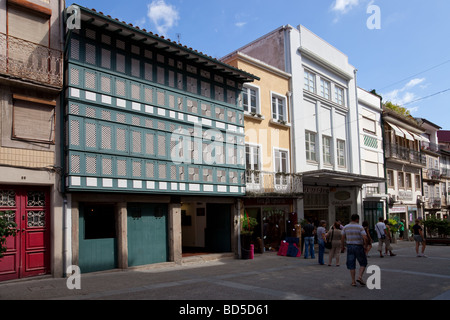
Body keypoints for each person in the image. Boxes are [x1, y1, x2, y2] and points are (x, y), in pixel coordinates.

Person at [341, 214, 368, 287]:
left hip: (349, 246)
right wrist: (365, 246)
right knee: (363, 262)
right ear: (357, 219)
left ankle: (353, 281)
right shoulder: (360, 227)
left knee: (351, 264)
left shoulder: (345, 227)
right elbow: (365, 237)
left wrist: (342, 247)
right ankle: (359, 277)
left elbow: (342, 237)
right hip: (358, 246)